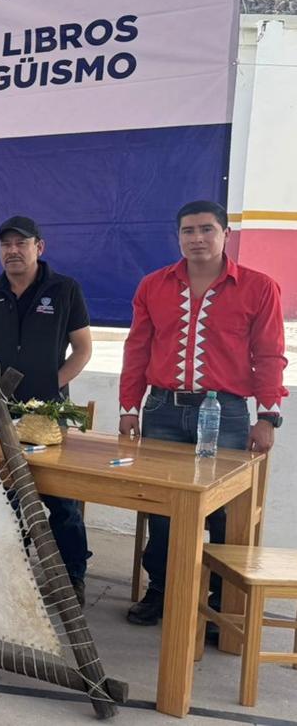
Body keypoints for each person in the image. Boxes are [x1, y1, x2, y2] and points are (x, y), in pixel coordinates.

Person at [119, 200, 286, 629]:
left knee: (224, 510)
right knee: (162, 505)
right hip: (162, 411)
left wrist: (267, 416)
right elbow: (137, 348)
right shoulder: (153, 285)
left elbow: (269, 354)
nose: (197, 238)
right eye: (188, 231)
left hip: (227, 412)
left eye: (207, 229)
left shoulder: (259, 287)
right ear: (178, 237)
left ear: (226, 234)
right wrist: (128, 407)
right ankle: (162, 590)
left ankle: (216, 601)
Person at [0, 216, 94, 605]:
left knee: (60, 499)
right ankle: (3, 573)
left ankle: (71, 579)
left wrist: (52, 390)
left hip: (46, 415)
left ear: (40, 247)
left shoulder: (65, 289)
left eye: (22, 243)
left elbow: (82, 349)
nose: (12, 251)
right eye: (5, 244)